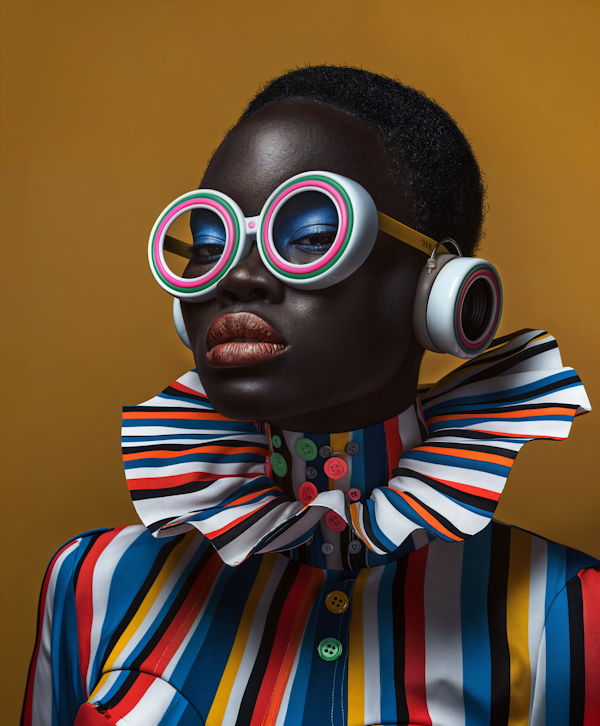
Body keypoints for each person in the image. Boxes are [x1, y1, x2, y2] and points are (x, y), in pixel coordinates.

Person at [22, 66, 600, 726]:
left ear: (444, 294)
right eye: (207, 244)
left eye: (310, 236)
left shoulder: (563, 613)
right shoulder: (91, 584)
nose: (237, 278)